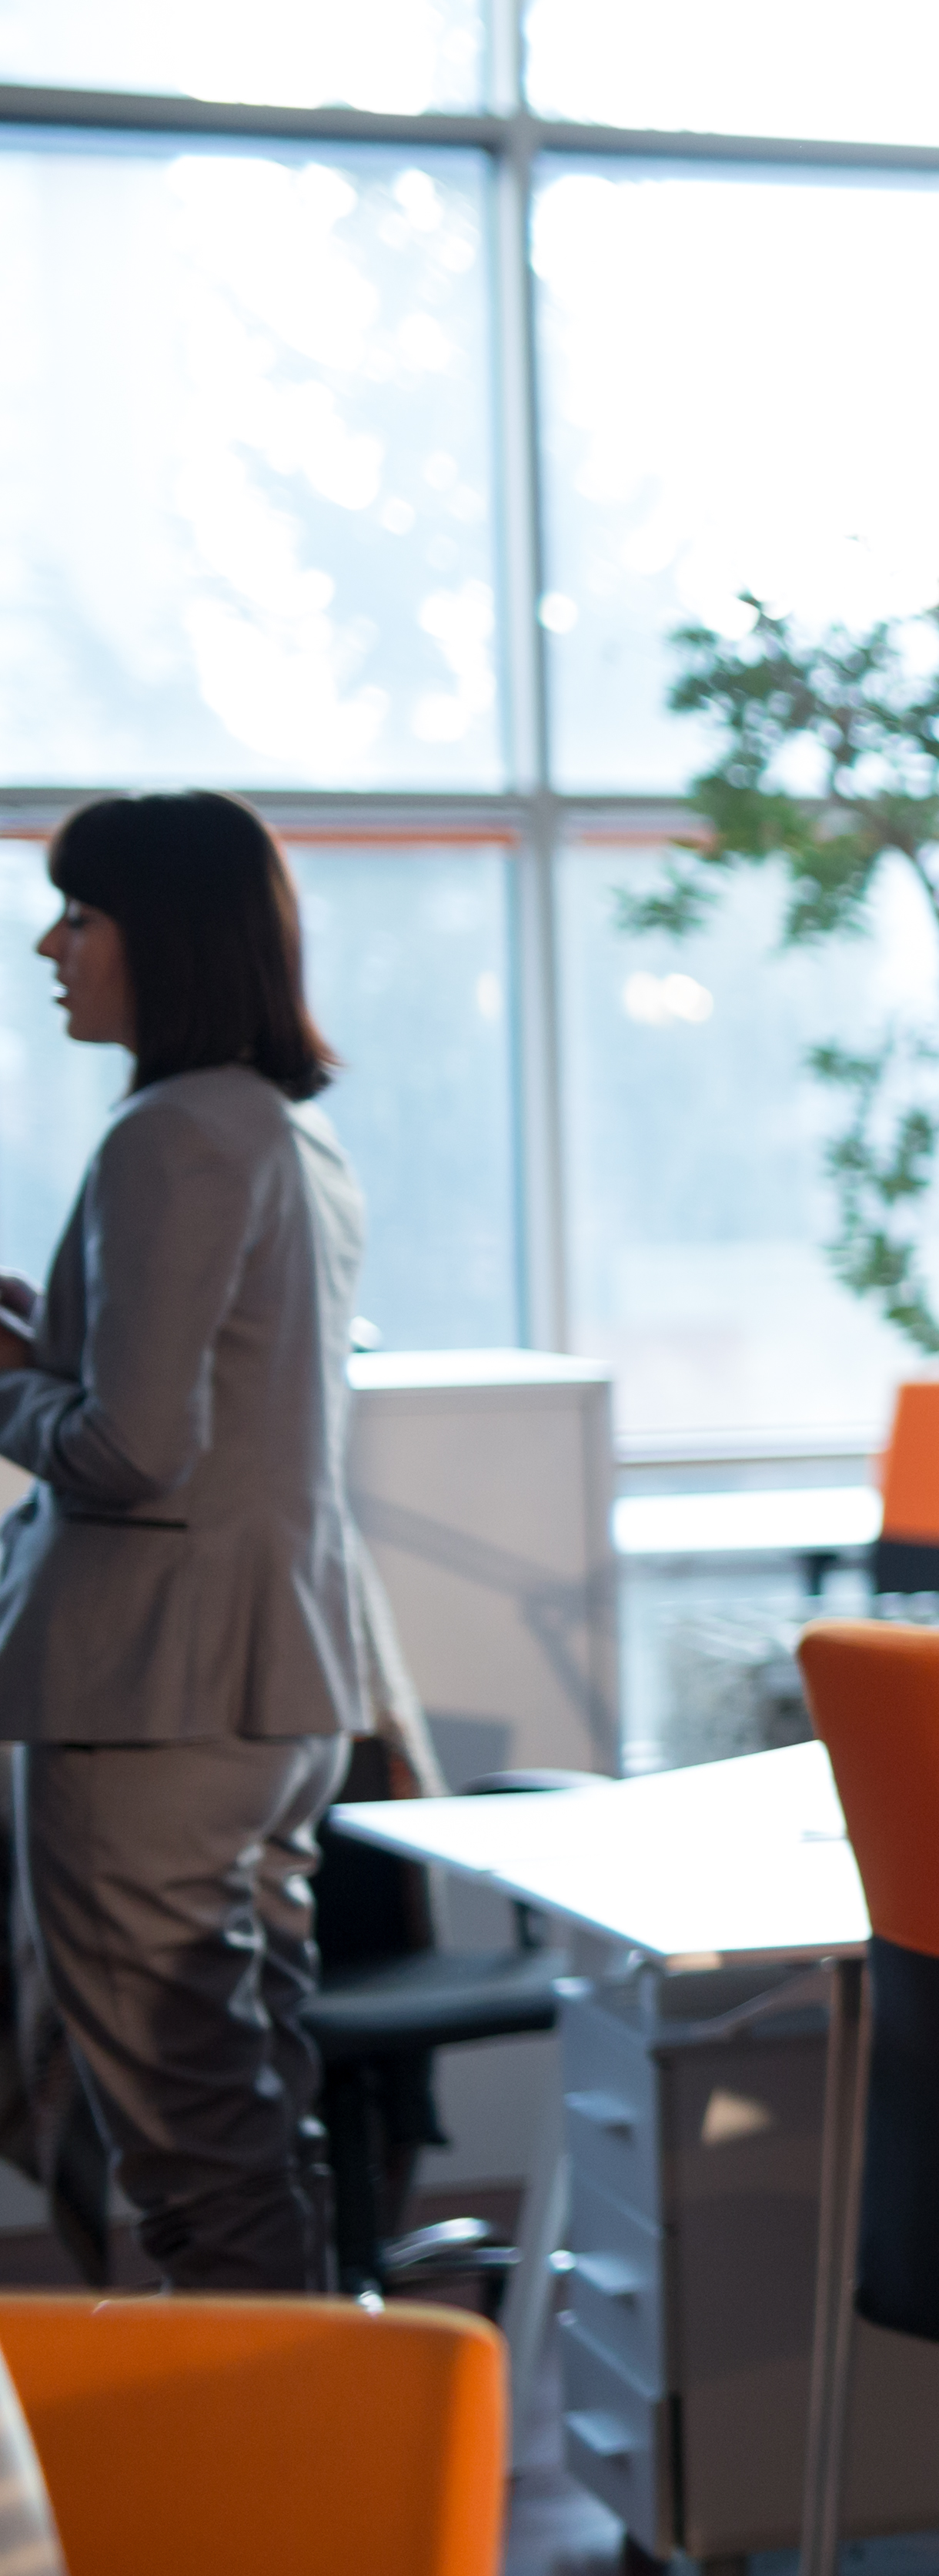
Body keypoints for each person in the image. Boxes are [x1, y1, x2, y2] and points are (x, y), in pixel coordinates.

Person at [0, 792, 379, 2291]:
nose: (52, 944)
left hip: (148, 1704)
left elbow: (126, 1451)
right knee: (254, 2122)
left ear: (162, 936)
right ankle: (336, 2471)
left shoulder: (169, 1133)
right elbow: (219, 1391)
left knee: (196, 2162)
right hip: (273, 1692)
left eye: (79, 917)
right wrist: (49, 1344)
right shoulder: (284, 1130)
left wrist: (13, 1392)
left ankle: (280, 2502)